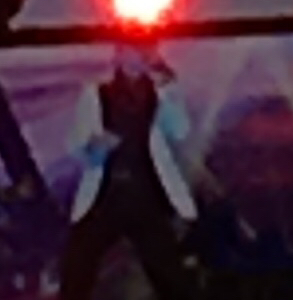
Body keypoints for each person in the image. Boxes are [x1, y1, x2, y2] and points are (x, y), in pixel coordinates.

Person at [60, 43, 196, 300]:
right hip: (104, 196)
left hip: (146, 194)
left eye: (141, 52)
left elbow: (181, 131)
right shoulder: (96, 94)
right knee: (77, 272)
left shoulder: (159, 94)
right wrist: (97, 147)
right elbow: (75, 146)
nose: (136, 59)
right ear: (118, 55)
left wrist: (170, 88)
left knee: (170, 274)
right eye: (130, 51)